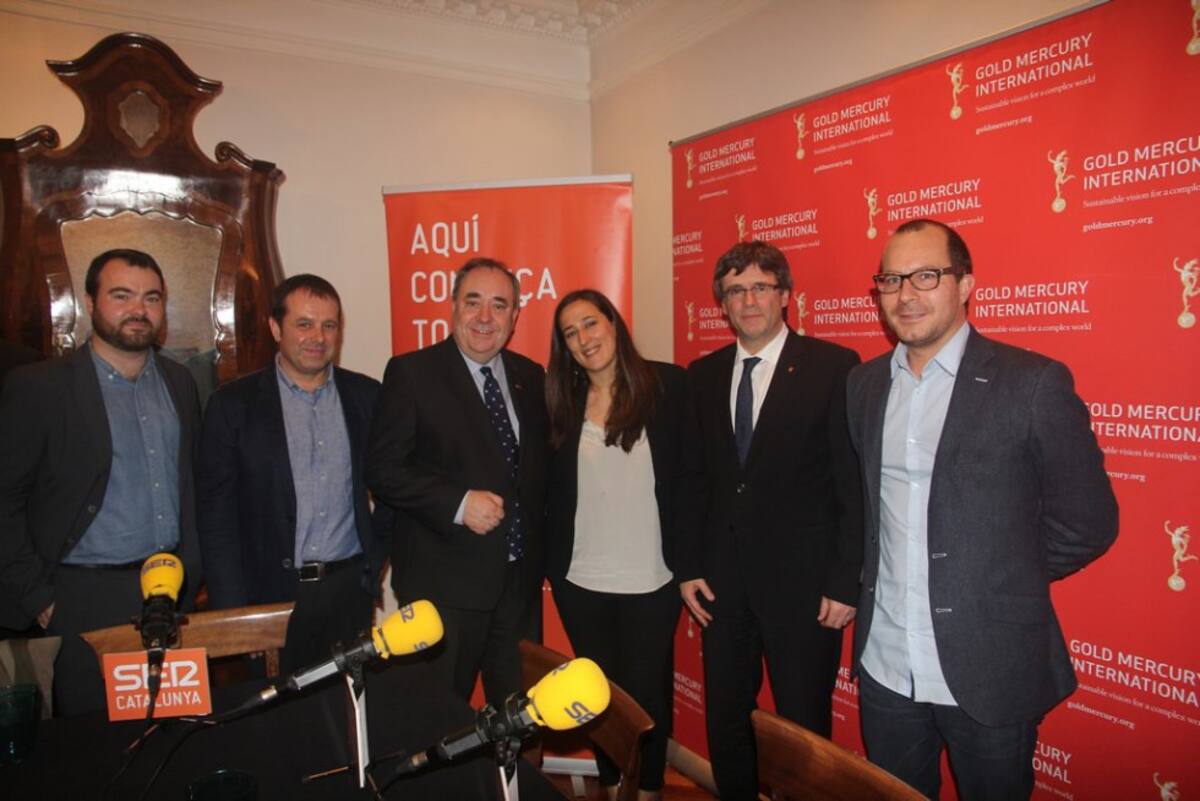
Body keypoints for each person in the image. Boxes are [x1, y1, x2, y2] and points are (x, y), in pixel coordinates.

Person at [847, 218, 1118, 800]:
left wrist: (999, 574)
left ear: (966, 285)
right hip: (886, 662)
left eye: (926, 275)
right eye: (891, 279)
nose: (906, 294)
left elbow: (1088, 523)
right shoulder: (864, 386)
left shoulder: (1032, 384)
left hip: (989, 663)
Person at [677, 240, 863, 800]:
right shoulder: (702, 375)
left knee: (804, 729)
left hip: (805, 590)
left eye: (761, 287)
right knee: (727, 720)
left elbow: (852, 484)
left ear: (785, 295)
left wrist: (845, 579)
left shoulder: (833, 367)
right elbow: (693, 481)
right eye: (736, 291)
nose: (749, 300)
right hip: (722, 587)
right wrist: (689, 566)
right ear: (722, 304)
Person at [0, 248, 202, 715]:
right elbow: (5, 501)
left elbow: (191, 484)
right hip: (80, 598)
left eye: (151, 298)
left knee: (172, 730)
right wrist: (40, 600)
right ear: (90, 303)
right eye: (121, 295)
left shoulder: (180, 382)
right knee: (91, 741)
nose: (138, 310)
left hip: (169, 590)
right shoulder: (41, 387)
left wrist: (194, 572)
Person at [368, 257, 548, 705]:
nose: (485, 317)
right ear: (453, 307)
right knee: (437, 717)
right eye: (473, 302)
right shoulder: (411, 373)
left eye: (499, 305)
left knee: (519, 718)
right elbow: (383, 470)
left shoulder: (530, 376)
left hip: (518, 589)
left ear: (515, 316)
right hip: (442, 589)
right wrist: (458, 503)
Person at [197, 274, 392, 671]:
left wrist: (375, 558)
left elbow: (393, 484)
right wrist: (234, 612)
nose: (317, 337)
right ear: (275, 328)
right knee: (275, 706)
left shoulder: (367, 396)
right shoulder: (232, 406)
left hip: (349, 591)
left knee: (346, 703)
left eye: (329, 325)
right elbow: (216, 517)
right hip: (267, 598)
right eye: (304, 324)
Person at [544, 289, 685, 801]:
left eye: (590, 323)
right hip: (581, 579)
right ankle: (609, 787)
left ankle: (647, 791)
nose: (583, 339)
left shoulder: (668, 385)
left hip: (653, 575)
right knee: (596, 695)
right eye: (570, 333)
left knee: (646, 699)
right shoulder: (559, 401)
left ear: (613, 322)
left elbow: (694, 479)